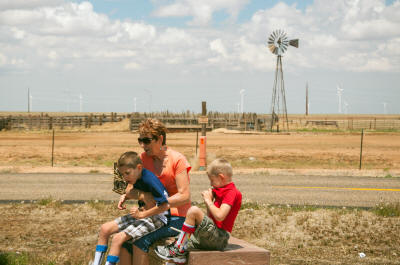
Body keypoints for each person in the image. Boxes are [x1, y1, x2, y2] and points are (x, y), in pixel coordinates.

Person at [119, 118, 191, 265]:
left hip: (177, 217)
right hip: (151, 215)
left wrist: (159, 203)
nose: (142, 145)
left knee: (140, 242)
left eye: (146, 140)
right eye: (140, 140)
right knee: (122, 241)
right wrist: (144, 195)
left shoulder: (178, 160)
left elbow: (184, 196)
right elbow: (128, 189)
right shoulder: (141, 159)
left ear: (160, 139)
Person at [155, 158, 242, 264]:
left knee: (194, 210)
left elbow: (220, 216)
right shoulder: (222, 191)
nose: (211, 184)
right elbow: (211, 219)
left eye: (212, 180)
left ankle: (179, 249)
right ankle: (178, 256)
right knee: (181, 243)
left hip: (220, 237)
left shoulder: (231, 192)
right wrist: (209, 202)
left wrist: (208, 200)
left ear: (221, 177)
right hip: (213, 235)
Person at [91, 151, 170, 265]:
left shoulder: (150, 180)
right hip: (144, 214)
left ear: (139, 167)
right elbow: (133, 191)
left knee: (117, 239)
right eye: (122, 174)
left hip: (158, 218)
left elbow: (165, 205)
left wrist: (142, 214)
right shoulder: (136, 176)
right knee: (104, 229)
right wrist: (125, 196)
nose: (124, 177)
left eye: (127, 173)